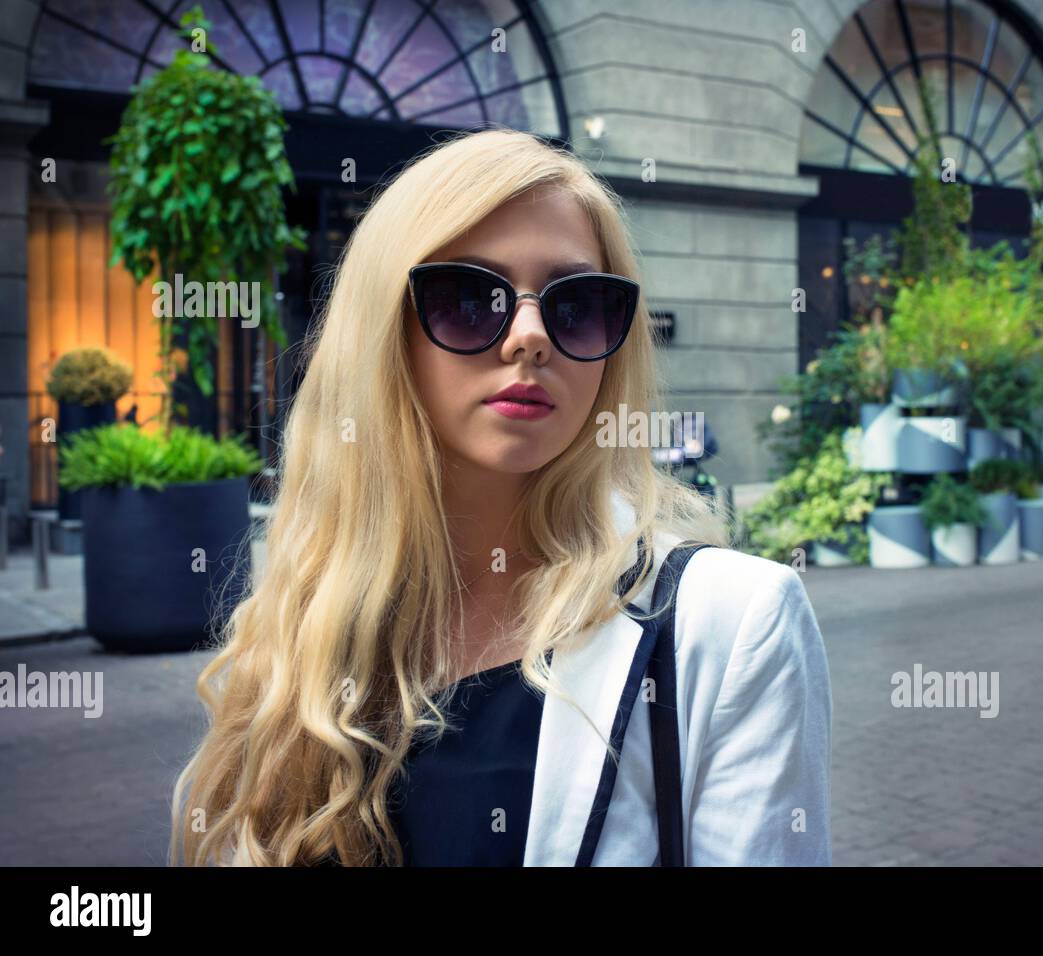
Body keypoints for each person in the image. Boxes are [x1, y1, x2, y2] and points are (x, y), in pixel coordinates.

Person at [169, 127, 831, 867]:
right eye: (466, 298)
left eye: (576, 305)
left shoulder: (731, 623)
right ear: (385, 333)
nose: (529, 336)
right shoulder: (303, 623)